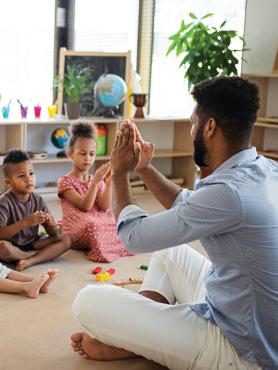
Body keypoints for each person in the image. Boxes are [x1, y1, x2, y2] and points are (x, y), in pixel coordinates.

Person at [70, 77, 278, 370]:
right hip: (242, 313)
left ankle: (142, 341)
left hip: (241, 351)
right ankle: (147, 341)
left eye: (193, 123)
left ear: (210, 127)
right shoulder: (265, 169)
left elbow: (132, 236)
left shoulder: (228, 193)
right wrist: (144, 168)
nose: (191, 130)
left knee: (87, 300)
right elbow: (188, 203)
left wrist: (119, 173)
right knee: (171, 253)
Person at [57, 122, 133, 262]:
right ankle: (106, 244)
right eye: (82, 153)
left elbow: (104, 207)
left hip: (97, 217)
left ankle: (113, 242)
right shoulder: (65, 181)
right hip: (77, 226)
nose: (87, 158)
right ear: (70, 154)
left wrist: (109, 182)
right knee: (94, 225)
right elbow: (84, 206)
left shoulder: (95, 179)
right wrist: (96, 182)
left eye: (92, 154)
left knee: (122, 219)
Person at [0, 149, 71, 271]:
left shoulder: (38, 200)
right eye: (22, 176)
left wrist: (51, 225)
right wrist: (24, 222)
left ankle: (30, 261)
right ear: (8, 182)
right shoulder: (4, 202)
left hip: (33, 242)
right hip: (11, 243)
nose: (29, 179)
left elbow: (54, 234)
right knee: (2, 248)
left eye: (31, 173)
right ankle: (34, 255)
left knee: (65, 239)